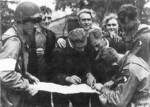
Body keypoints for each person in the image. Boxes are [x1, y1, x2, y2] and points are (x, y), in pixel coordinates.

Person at [0, 1, 41, 107]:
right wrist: (27, 85)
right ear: (22, 20)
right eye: (32, 22)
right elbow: (5, 74)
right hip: (8, 97)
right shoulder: (13, 41)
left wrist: (27, 75)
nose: (35, 26)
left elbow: (14, 66)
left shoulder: (19, 36)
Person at [51, 28, 96, 107]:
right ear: (71, 42)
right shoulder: (59, 51)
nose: (82, 50)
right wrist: (67, 78)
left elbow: (87, 64)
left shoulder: (87, 45)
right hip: (62, 90)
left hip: (80, 91)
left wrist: (89, 75)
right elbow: (52, 74)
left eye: (84, 46)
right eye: (79, 48)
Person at [26, 6, 56, 107]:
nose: (47, 21)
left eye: (49, 18)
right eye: (44, 18)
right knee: (30, 103)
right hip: (30, 74)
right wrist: (33, 52)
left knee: (46, 103)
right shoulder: (28, 34)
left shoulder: (52, 35)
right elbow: (22, 52)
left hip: (46, 76)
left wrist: (61, 39)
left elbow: (53, 54)